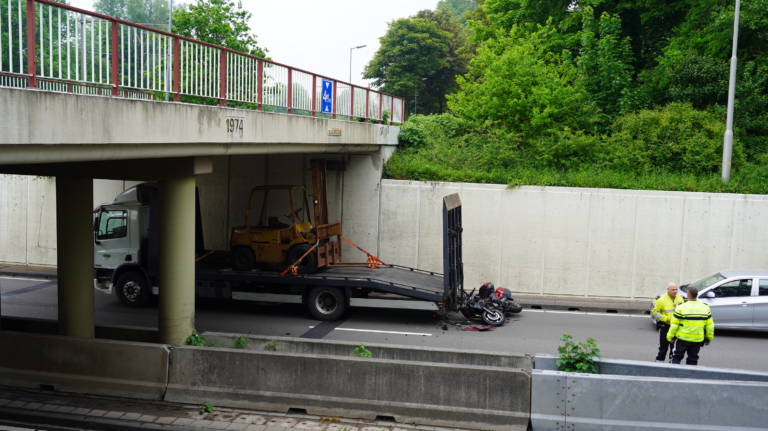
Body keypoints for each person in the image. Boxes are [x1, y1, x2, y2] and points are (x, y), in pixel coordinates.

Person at [667, 286, 715, 365]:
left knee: (676, 357)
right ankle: (690, 376)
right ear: (696, 295)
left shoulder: (681, 308)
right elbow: (710, 325)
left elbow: (674, 324)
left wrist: (670, 337)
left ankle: (673, 376)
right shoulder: (705, 308)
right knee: (693, 359)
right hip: (697, 339)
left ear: (688, 295)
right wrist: (709, 338)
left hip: (682, 339)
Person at [651, 282, 686, 362]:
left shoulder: (680, 299)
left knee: (674, 349)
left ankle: (672, 365)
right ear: (668, 289)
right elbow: (654, 313)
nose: (675, 291)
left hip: (677, 327)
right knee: (663, 348)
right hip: (665, 326)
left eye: (676, 289)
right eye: (673, 290)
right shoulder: (661, 299)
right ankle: (659, 364)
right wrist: (667, 318)